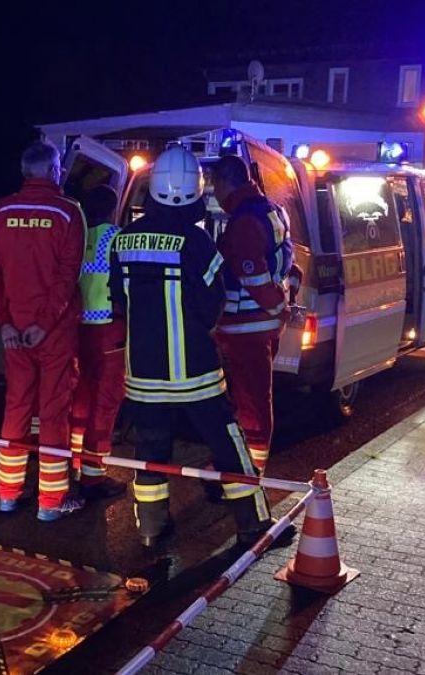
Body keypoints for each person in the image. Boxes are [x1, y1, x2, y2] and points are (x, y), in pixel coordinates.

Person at [109, 146, 285, 549]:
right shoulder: (197, 241)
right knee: (228, 444)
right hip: (197, 374)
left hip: (143, 375)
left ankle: (152, 529)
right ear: (197, 193)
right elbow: (214, 305)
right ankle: (253, 525)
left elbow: (117, 301)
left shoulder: (123, 240)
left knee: (151, 452)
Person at [0, 140, 85, 521]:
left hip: (14, 329)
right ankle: (50, 504)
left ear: (25, 172)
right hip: (52, 330)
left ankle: (7, 494)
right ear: (54, 171)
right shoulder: (69, 214)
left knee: (17, 405)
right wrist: (44, 324)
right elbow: (66, 276)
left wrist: (4, 322)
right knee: (54, 411)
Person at [209, 155, 293, 472]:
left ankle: (251, 471)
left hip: (247, 327)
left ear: (224, 183)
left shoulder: (243, 221)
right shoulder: (272, 210)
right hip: (261, 325)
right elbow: (287, 260)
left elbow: (252, 273)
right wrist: (283, 302)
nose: (213, 193)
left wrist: (276, 306)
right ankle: (240, 462)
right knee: (252, 398)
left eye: (214, 184)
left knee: (251, 401)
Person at [67, 185, 127, 500]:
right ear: (112, 209)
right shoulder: (117, 238)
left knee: (82, 398)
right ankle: (93, 477)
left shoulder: (76, 237)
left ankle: (76, 462)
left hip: (81, 329)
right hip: (110, 329)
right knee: (106, 404)